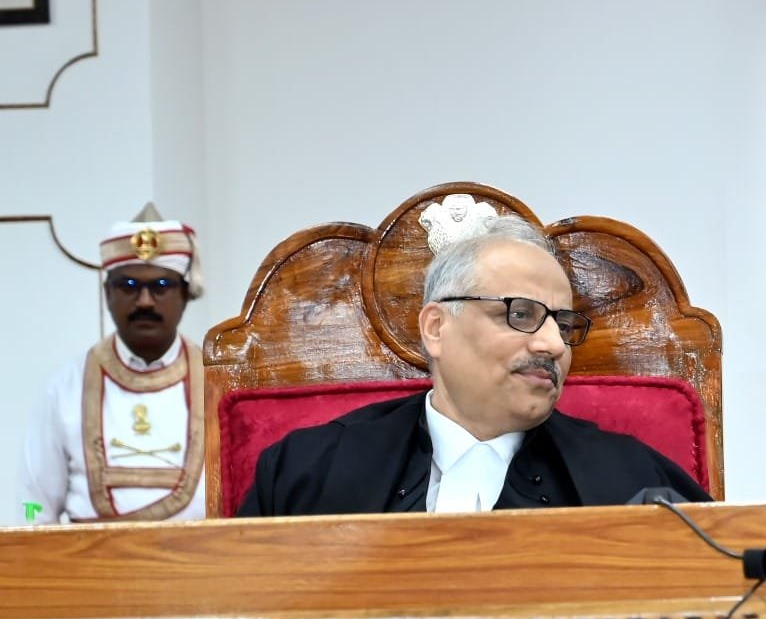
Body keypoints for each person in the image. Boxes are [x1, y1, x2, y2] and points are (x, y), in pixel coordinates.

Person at [236, 216, 710, 516]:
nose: (553, 345)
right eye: (521, 314)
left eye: (564, 325)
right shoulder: (305, 472)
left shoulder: (635, 482)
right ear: (436, 328)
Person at [17, 205, 207, 524]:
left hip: (198, 555)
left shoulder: (217, 383)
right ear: (107, 293)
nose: (144, 301)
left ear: (186, 294)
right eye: (128, 286)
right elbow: (33, 504)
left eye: (161, 286)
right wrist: (32, 536)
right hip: (89, 556)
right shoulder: (65, 387)